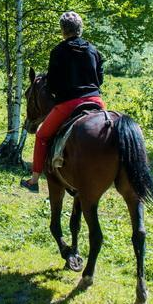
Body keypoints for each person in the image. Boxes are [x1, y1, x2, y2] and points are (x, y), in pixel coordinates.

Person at [21, 11, 105, 193]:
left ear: (63, 30)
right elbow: (100, 79)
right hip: (96, 102)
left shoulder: (58, 51)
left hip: (70, 103)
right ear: (80, 29)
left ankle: (34, 180)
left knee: (42, 135)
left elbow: (52, 85)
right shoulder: (94, 50)